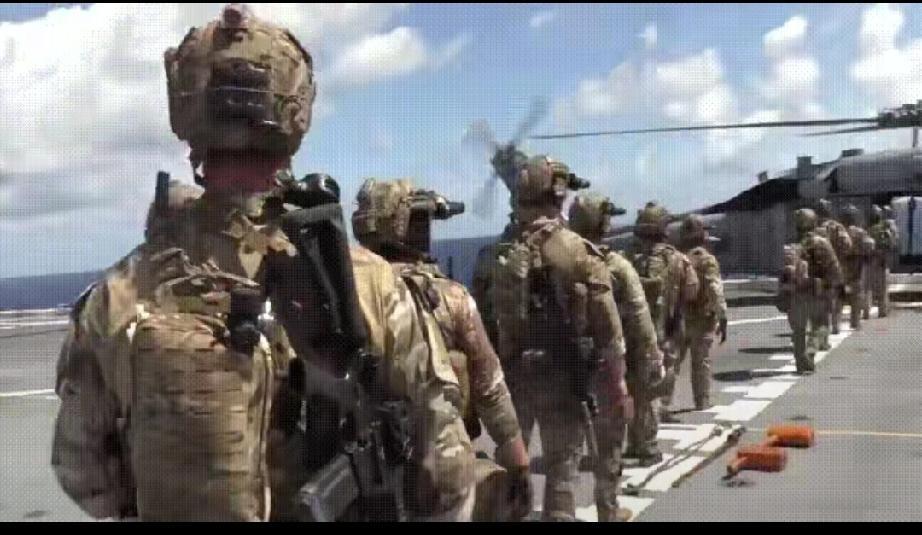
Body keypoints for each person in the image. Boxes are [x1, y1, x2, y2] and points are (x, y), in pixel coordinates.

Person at [51, 4, 473, 522]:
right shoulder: (367, 282)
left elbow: (80, 470)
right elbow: (447, 467)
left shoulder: (117, 295)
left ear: (186, 110)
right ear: (295, 113)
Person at [351, 178, 532, 521]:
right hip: (435, 467)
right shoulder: (450, 297)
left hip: (362, 472)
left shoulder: (348, 295)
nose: (426, 230)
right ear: (403, 225)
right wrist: (518, 460)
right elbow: (490, 387)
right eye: (421, 220)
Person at [492, 156, 630, 521]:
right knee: (561, 469)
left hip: (511, 378)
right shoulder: (577, 250)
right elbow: (607, 325)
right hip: (561, 378)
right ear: (558, 194)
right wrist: (618, 382)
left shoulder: (496, 252)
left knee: (511, 469)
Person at [568, 192, 665, 467]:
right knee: (641, 392)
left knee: (589, 401)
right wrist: (653, 354)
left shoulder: (560, 262)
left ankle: (593, 451)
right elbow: (639, 313)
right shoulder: (616, 265)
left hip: (575, 349)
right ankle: (644, 447)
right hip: (620, 345)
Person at [627, 202, 699, 423]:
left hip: (632, 329)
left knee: (634, 374)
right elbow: (692, 291)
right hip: (665, 328)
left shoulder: (626, 258)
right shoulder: (677, 259)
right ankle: (659, 411)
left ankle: (638, 416)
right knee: (665, 369)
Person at [676, 215, 727, 411]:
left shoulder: (677, 257)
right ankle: (702, 401)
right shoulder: (707, 259)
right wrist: (722, 315)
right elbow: (715, 289)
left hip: (679, 317)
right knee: (701, 361)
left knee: (673, 362)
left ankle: (661, 403)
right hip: (702, 317)